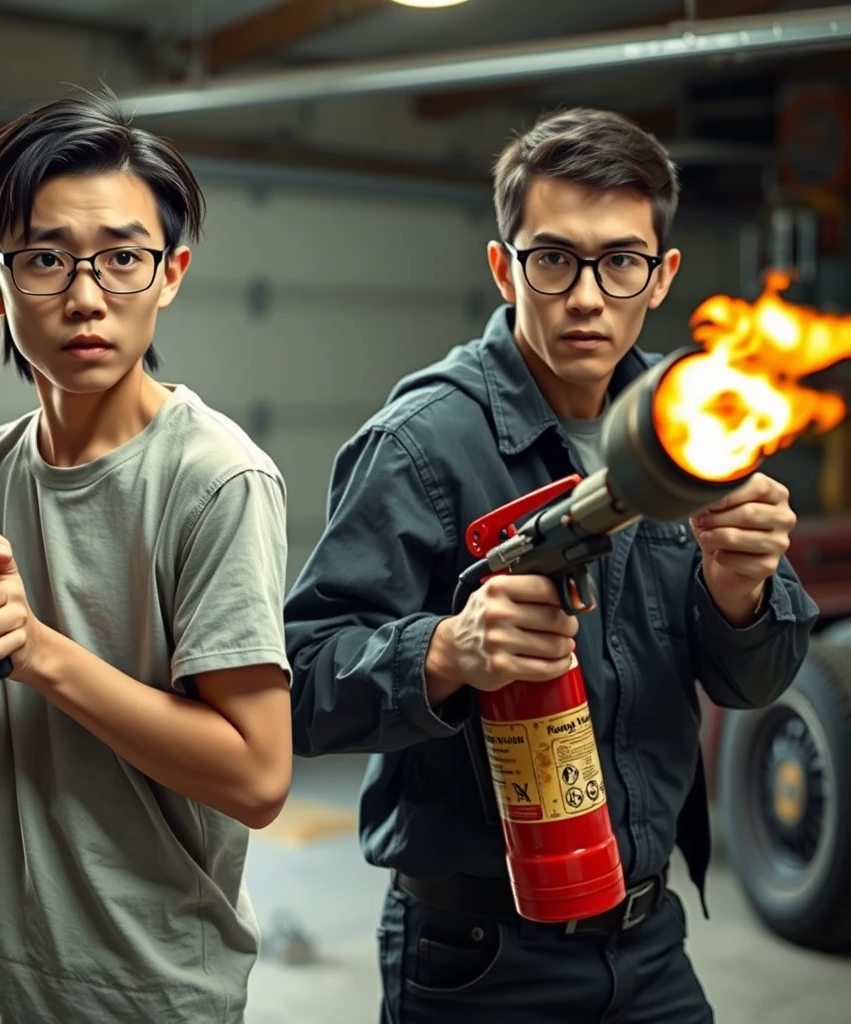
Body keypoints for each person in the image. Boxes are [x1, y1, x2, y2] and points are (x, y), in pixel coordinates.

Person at [283, 107, 818, 1023]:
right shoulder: (421, 445)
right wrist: (445, 653)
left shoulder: (695, 427)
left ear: (661, 277)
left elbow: (757, 681)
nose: (585, 296)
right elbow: (295, 683)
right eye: (553, 258)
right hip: (478, 960)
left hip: (652, 943)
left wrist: (740, 593)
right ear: (503, 266)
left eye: (620, 262)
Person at [0, 90, 293, 1024]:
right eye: (45, 259)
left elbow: (259, 778)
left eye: (122, 258)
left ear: (171, 274)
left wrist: (35, 651)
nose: (85, 296)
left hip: (146, 995)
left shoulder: (217, 479)